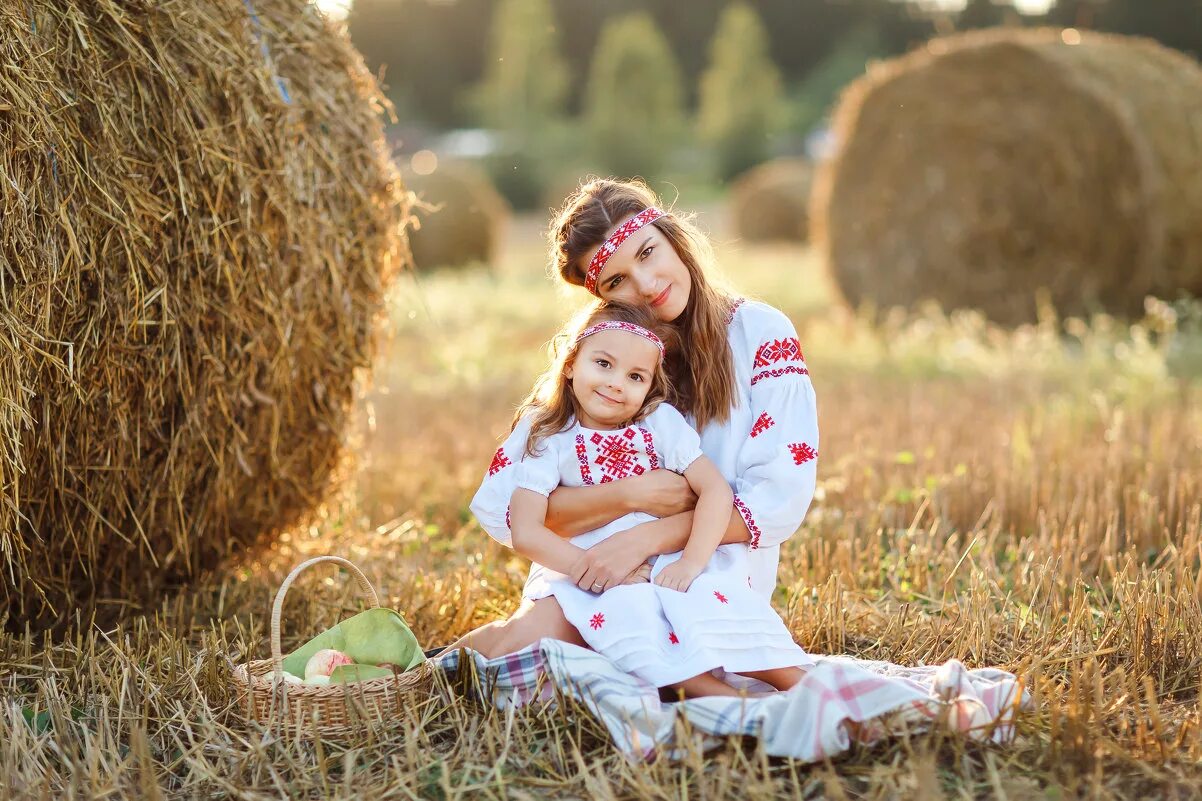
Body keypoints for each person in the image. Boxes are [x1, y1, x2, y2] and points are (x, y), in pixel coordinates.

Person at [454, 177, 819, 663]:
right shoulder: (603, 362)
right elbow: (508, 510)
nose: (645, 286)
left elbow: (779, 499)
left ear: (672, 236)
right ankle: (394, 681)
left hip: (705, 572)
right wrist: (627, 496)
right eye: (616, 281)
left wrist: (649, 536)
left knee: (654, 673)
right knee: (522, 653)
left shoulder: (760, 334)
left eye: (648, 253)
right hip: (592, 567)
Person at [504, 299, 811, 697]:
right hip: (602, 572)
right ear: (569, 363)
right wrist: (591, 568)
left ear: (650, 386)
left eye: (635, 376)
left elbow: (715, 490)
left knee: (712, 602)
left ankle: (807, 688)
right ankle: (733, 705)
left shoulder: (660, 424)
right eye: (603, 364)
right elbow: (526, 531)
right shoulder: (551, 440)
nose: (616, 382)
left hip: (670, 561)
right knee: (633, 619)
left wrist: (692, 560)